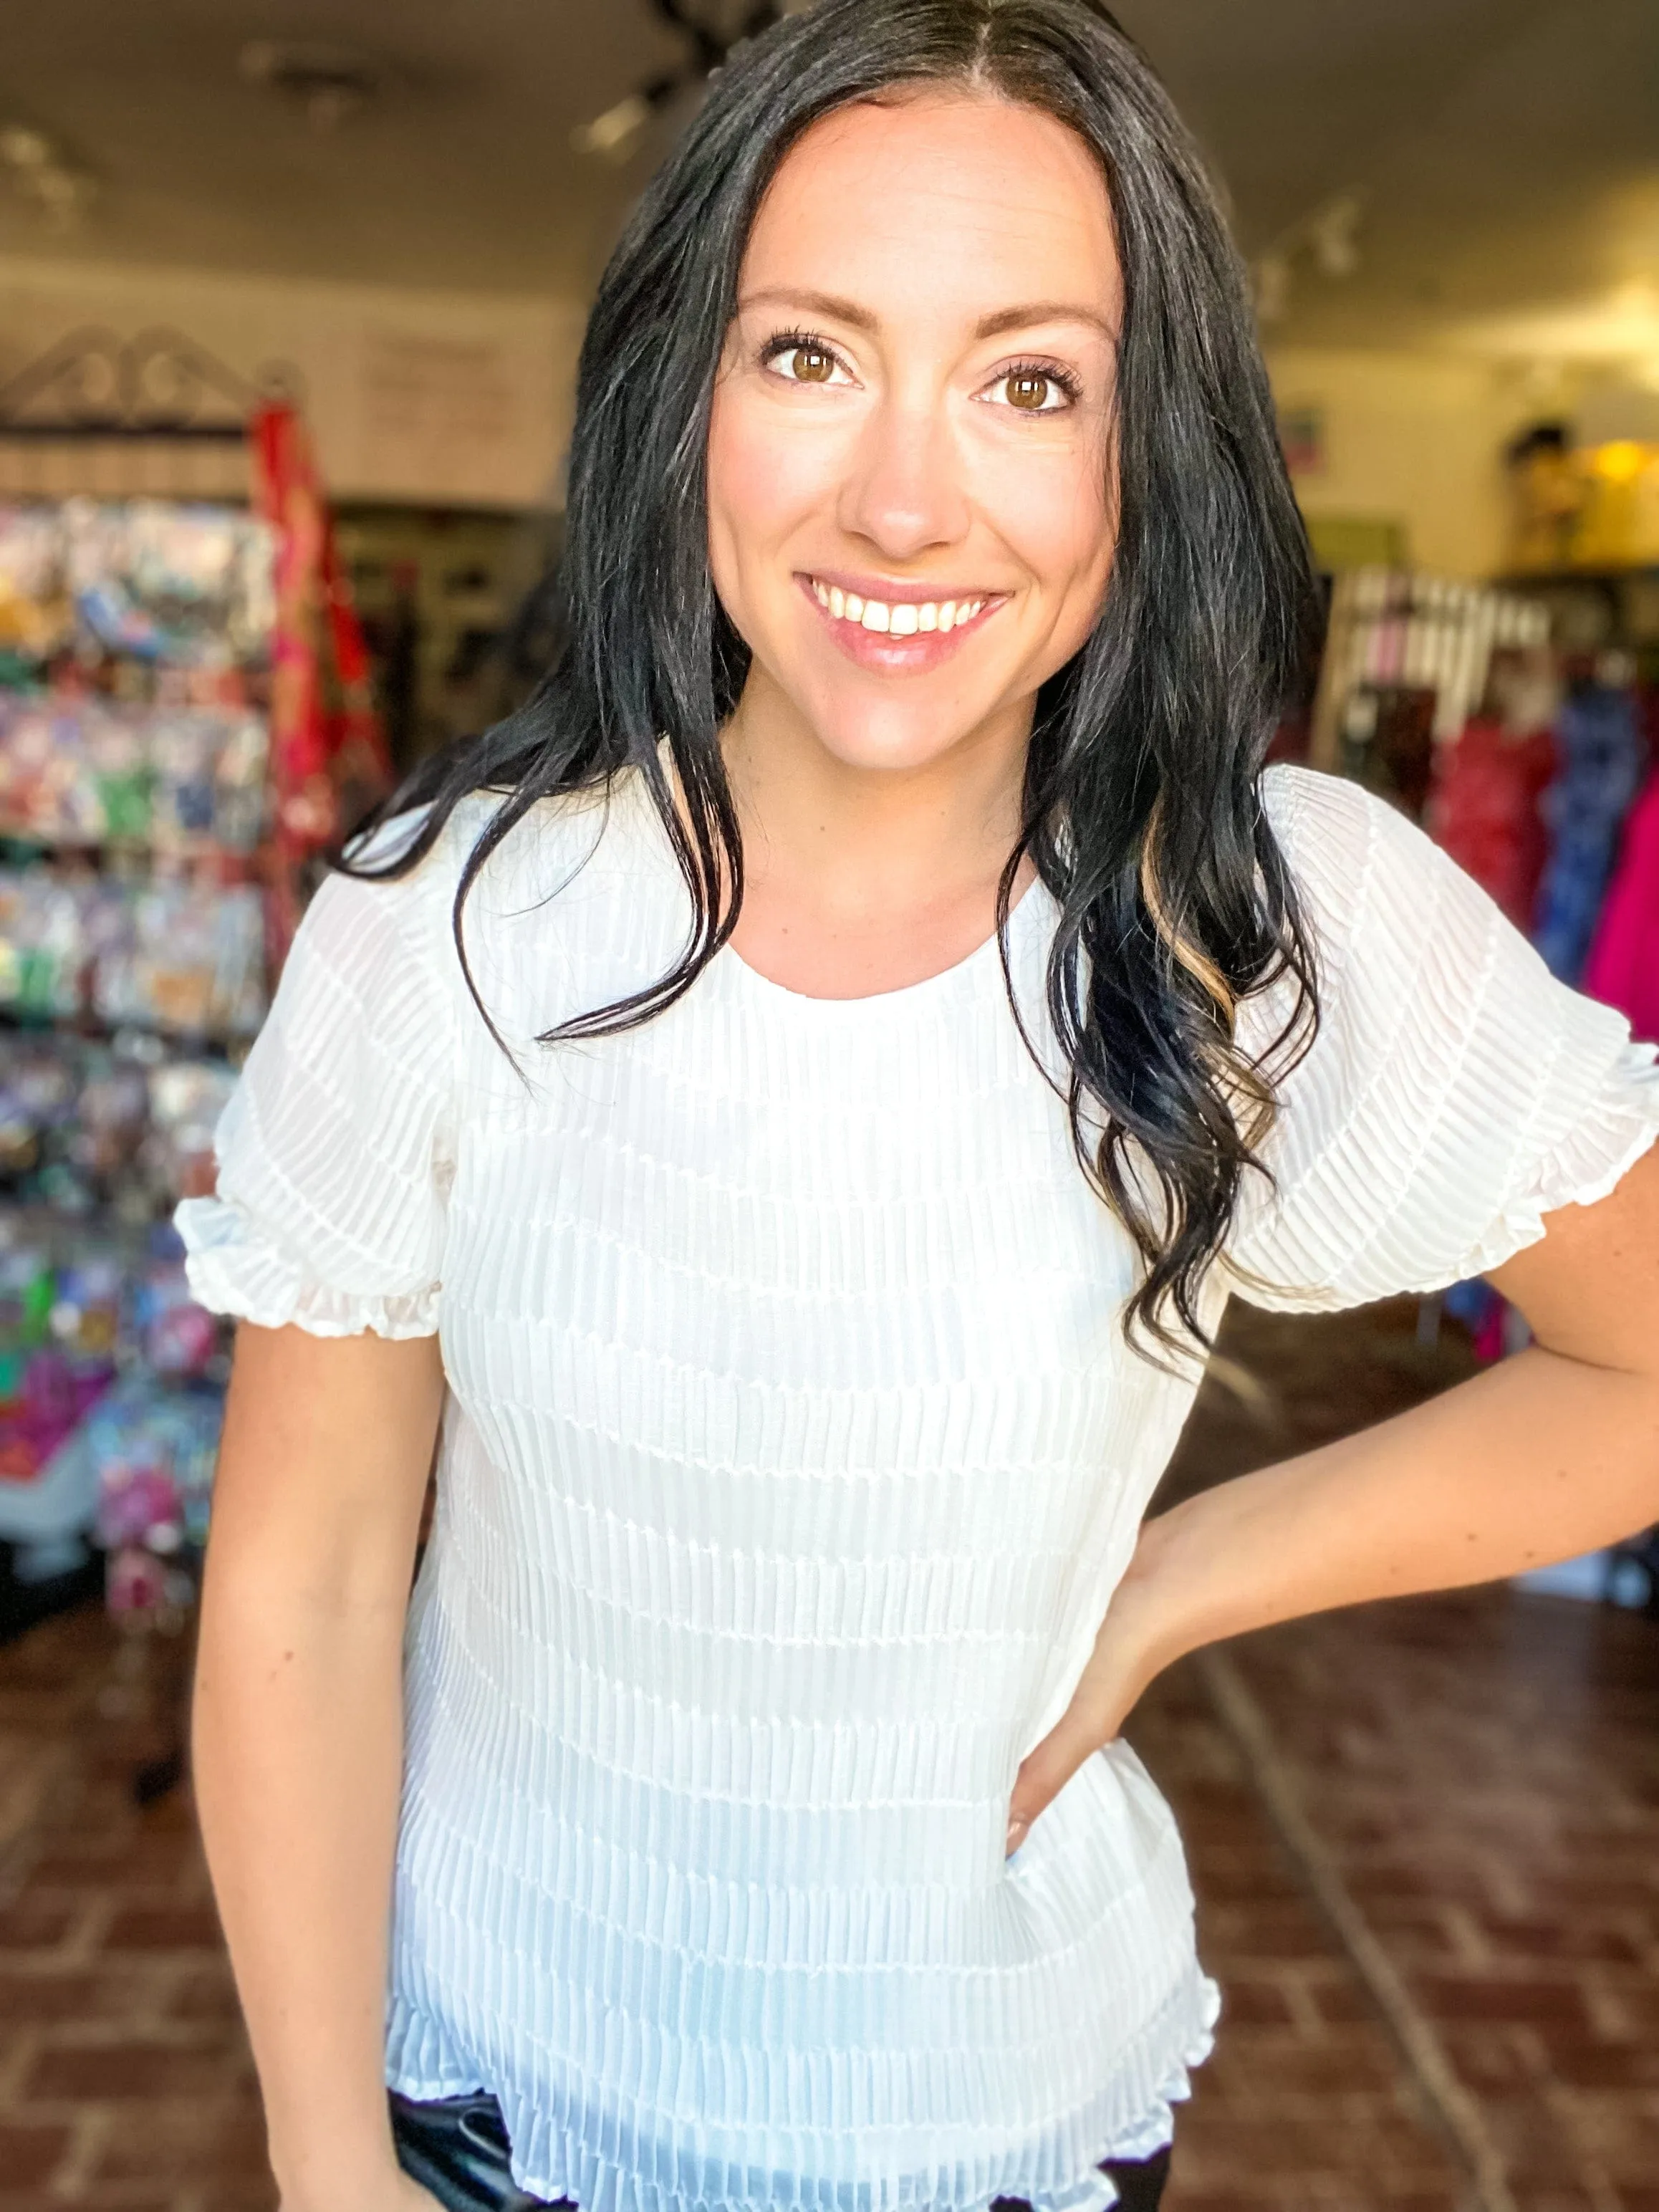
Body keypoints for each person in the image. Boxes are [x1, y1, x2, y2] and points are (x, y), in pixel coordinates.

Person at [176, 4, 1659, 2210]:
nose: (899, 495)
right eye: (808, 354)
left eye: (1026, 380)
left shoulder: (1263, 926)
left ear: (1137, 451)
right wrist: (325, 2167)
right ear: (686, 392)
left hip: (1002, 2107)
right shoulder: (449, 933)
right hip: (483, 2091)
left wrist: (1173, 1581)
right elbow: (297, 1586)